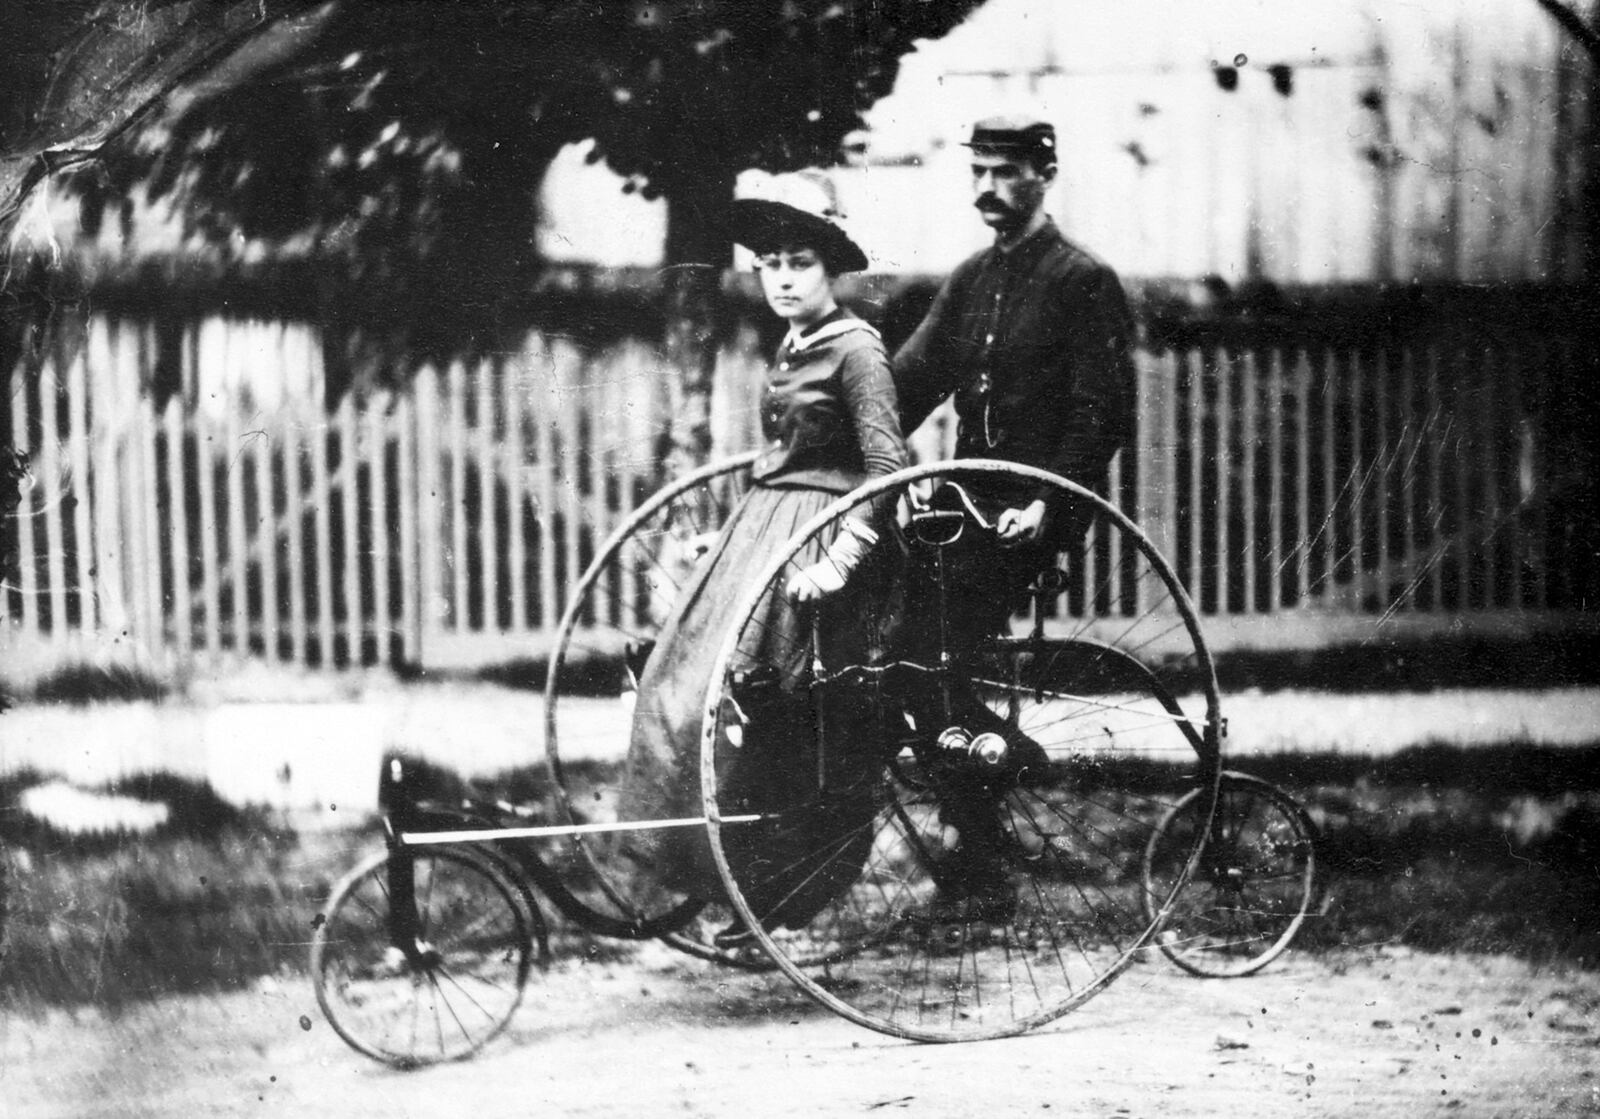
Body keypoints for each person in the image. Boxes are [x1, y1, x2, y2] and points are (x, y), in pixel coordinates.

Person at [617, 170, 907, 946]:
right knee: (676, 683)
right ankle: (702, 868)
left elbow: (888, 465)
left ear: (831, 268)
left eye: (800, 260)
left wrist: (844, 556)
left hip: (826, 534)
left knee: (757, 710)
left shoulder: (857, 351)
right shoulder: (794, 342)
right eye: (771, 260)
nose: (782, 276)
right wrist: (735, 534)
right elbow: (785, 453)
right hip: (768, 525)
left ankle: (772, 892)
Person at [890, 113, 1139, 916]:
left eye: (1004, 172)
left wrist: (1048, 499)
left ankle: (996, 796)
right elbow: (911, 380)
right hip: (965, 504)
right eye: (978, 172)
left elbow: (1100, 414)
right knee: (896, 634)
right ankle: (981, 821)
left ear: (1045, 172)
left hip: (1031, 512)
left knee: (929, 643)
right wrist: (835, 414)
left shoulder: (1081, 280)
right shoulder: (970, 279)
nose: (987, 188)